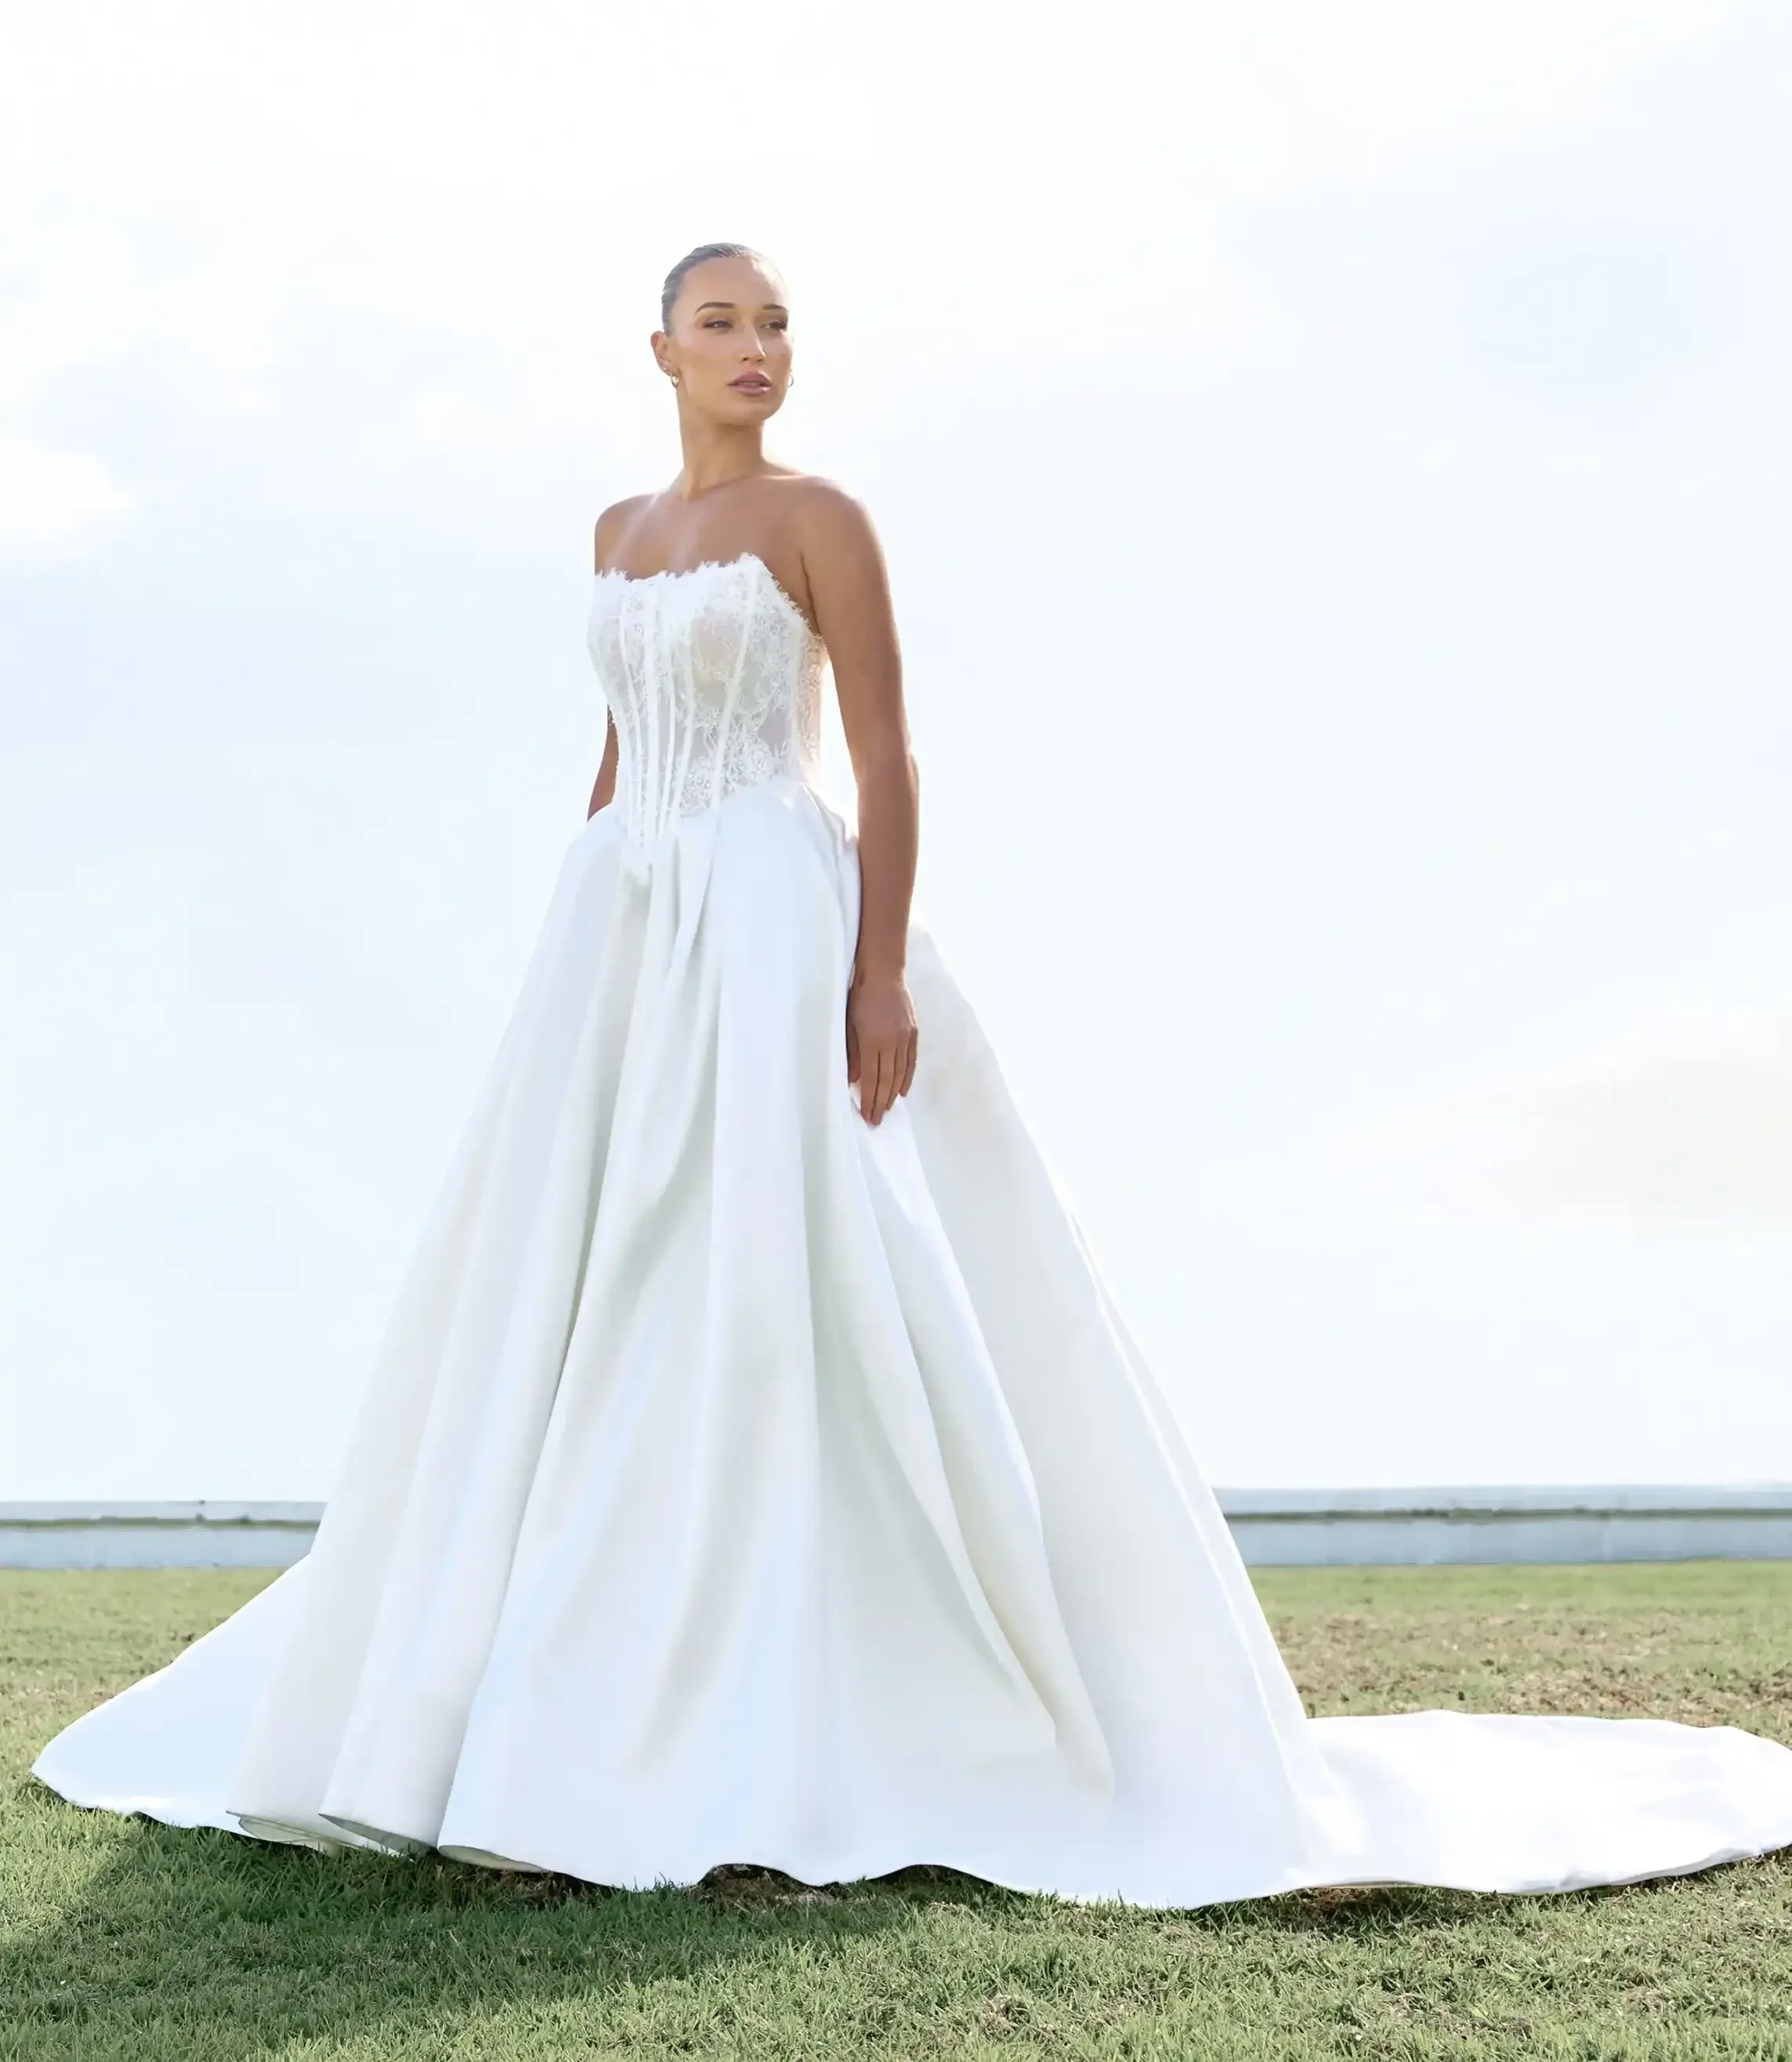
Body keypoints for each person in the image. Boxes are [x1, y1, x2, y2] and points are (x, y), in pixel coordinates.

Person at [35, 244, 1792, 1903]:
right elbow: (614, 751)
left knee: (779, 1290)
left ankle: (835, 1692)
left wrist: (879, 971)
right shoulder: (620, 525)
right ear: (660, 350)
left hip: (777, 919)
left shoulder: (822, 519)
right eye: (721, 318)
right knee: (592, 1303)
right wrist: (576, 960)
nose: (756, 345)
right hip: (626, 933)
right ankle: (554, 1697)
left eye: (778, 320)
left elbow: (880, 746)